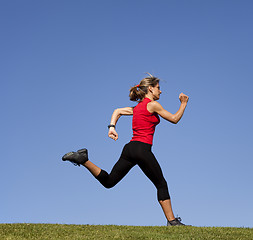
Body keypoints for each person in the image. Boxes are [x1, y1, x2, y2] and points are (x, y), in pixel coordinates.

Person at [62, 73, 189, 226]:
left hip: (129, 149)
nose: (160, 91)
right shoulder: (153, 104)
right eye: (158, 88)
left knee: (109, 182)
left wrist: (111, 127)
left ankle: (83, 159)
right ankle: (172, 221)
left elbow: (117, 111)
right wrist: (183, 103)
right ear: (150, 89)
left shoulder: (136, 108)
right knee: (161, 184)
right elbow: (174, 119)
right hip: (142, 149)